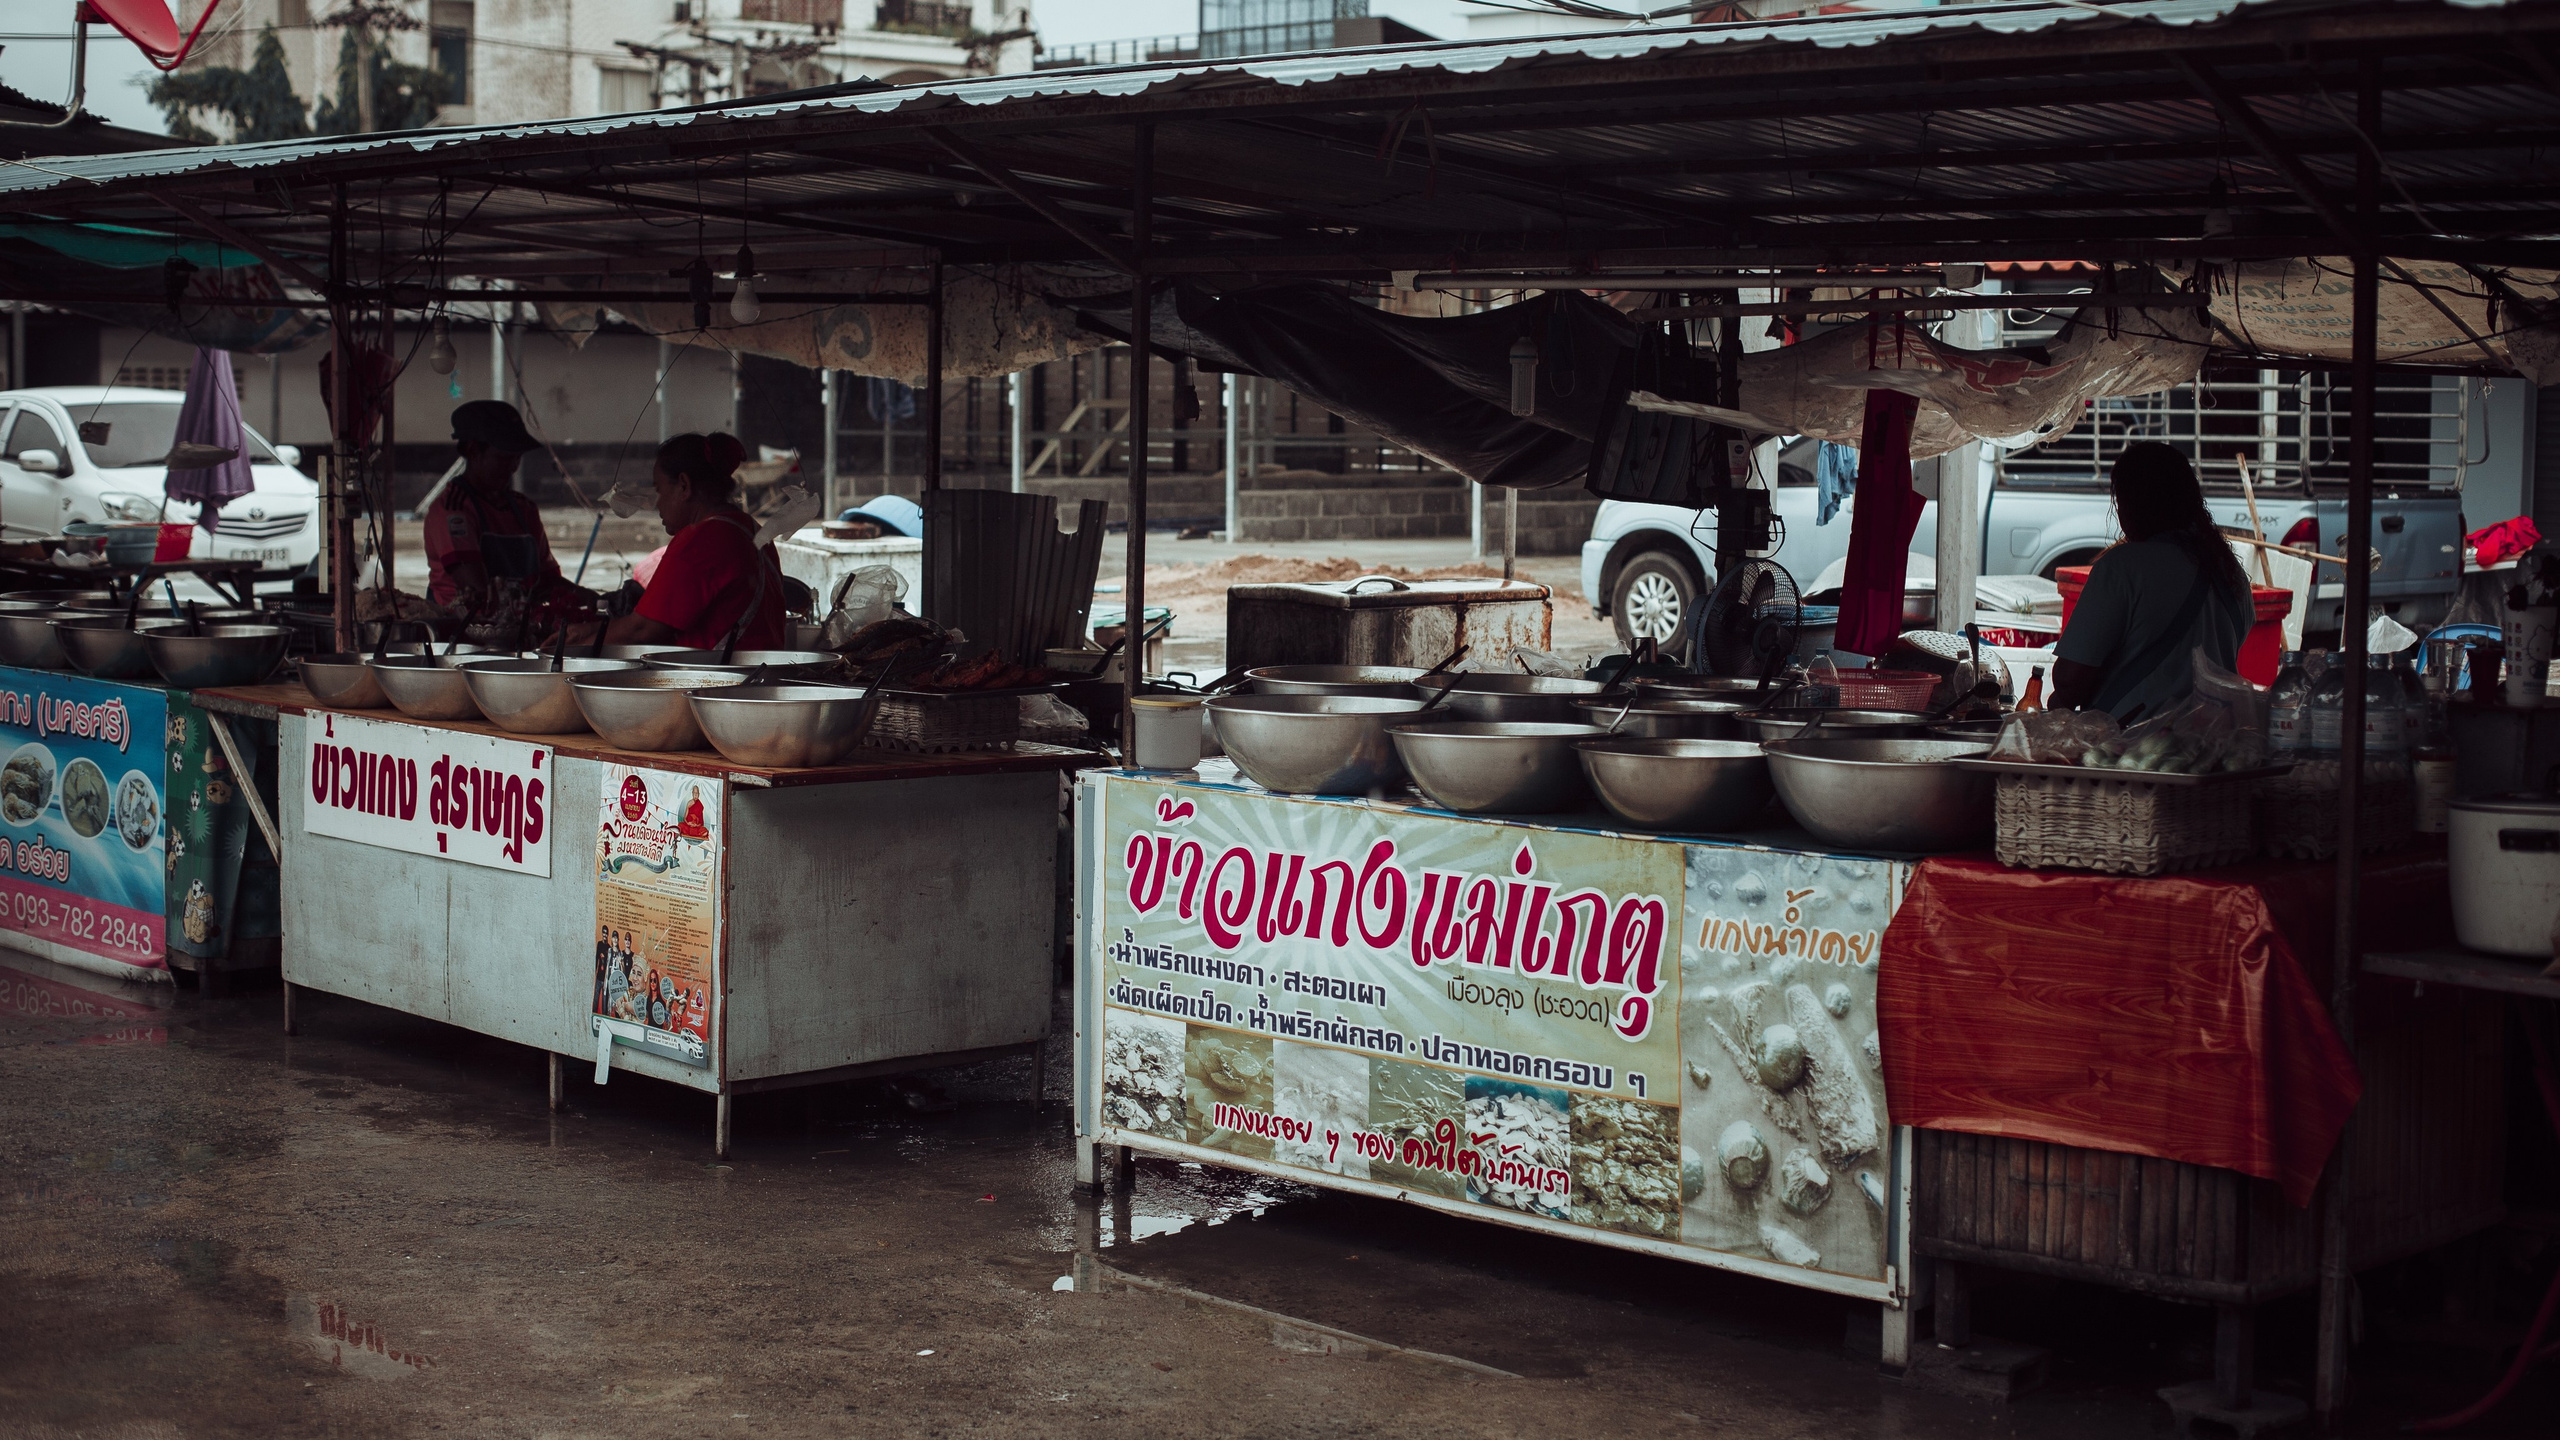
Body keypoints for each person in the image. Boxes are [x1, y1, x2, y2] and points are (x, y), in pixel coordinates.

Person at [2051, 442, 2255, 721]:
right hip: (2216, 744)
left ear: (2133, 504)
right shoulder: (2231, 571)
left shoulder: (2123, 567)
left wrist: (2057, 701)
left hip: (2132, 749)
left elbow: (2069, 680)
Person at [596, 433, 786, 651]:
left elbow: (642, 631)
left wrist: (578, 640)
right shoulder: (751, 530)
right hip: (760, 675)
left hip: (719, 681)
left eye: (659, 490)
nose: (658, 503)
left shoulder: (703, 538)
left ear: (684, 486)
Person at [424, 400, 590, 631]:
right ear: (473, 450)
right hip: (465, 634)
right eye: (503, 458)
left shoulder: (524, 509)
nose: (512, 467)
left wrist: (592, 599)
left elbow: (548, 582)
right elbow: (478, 591)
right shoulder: (453, 509)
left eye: (516, 458)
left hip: (519, 630)